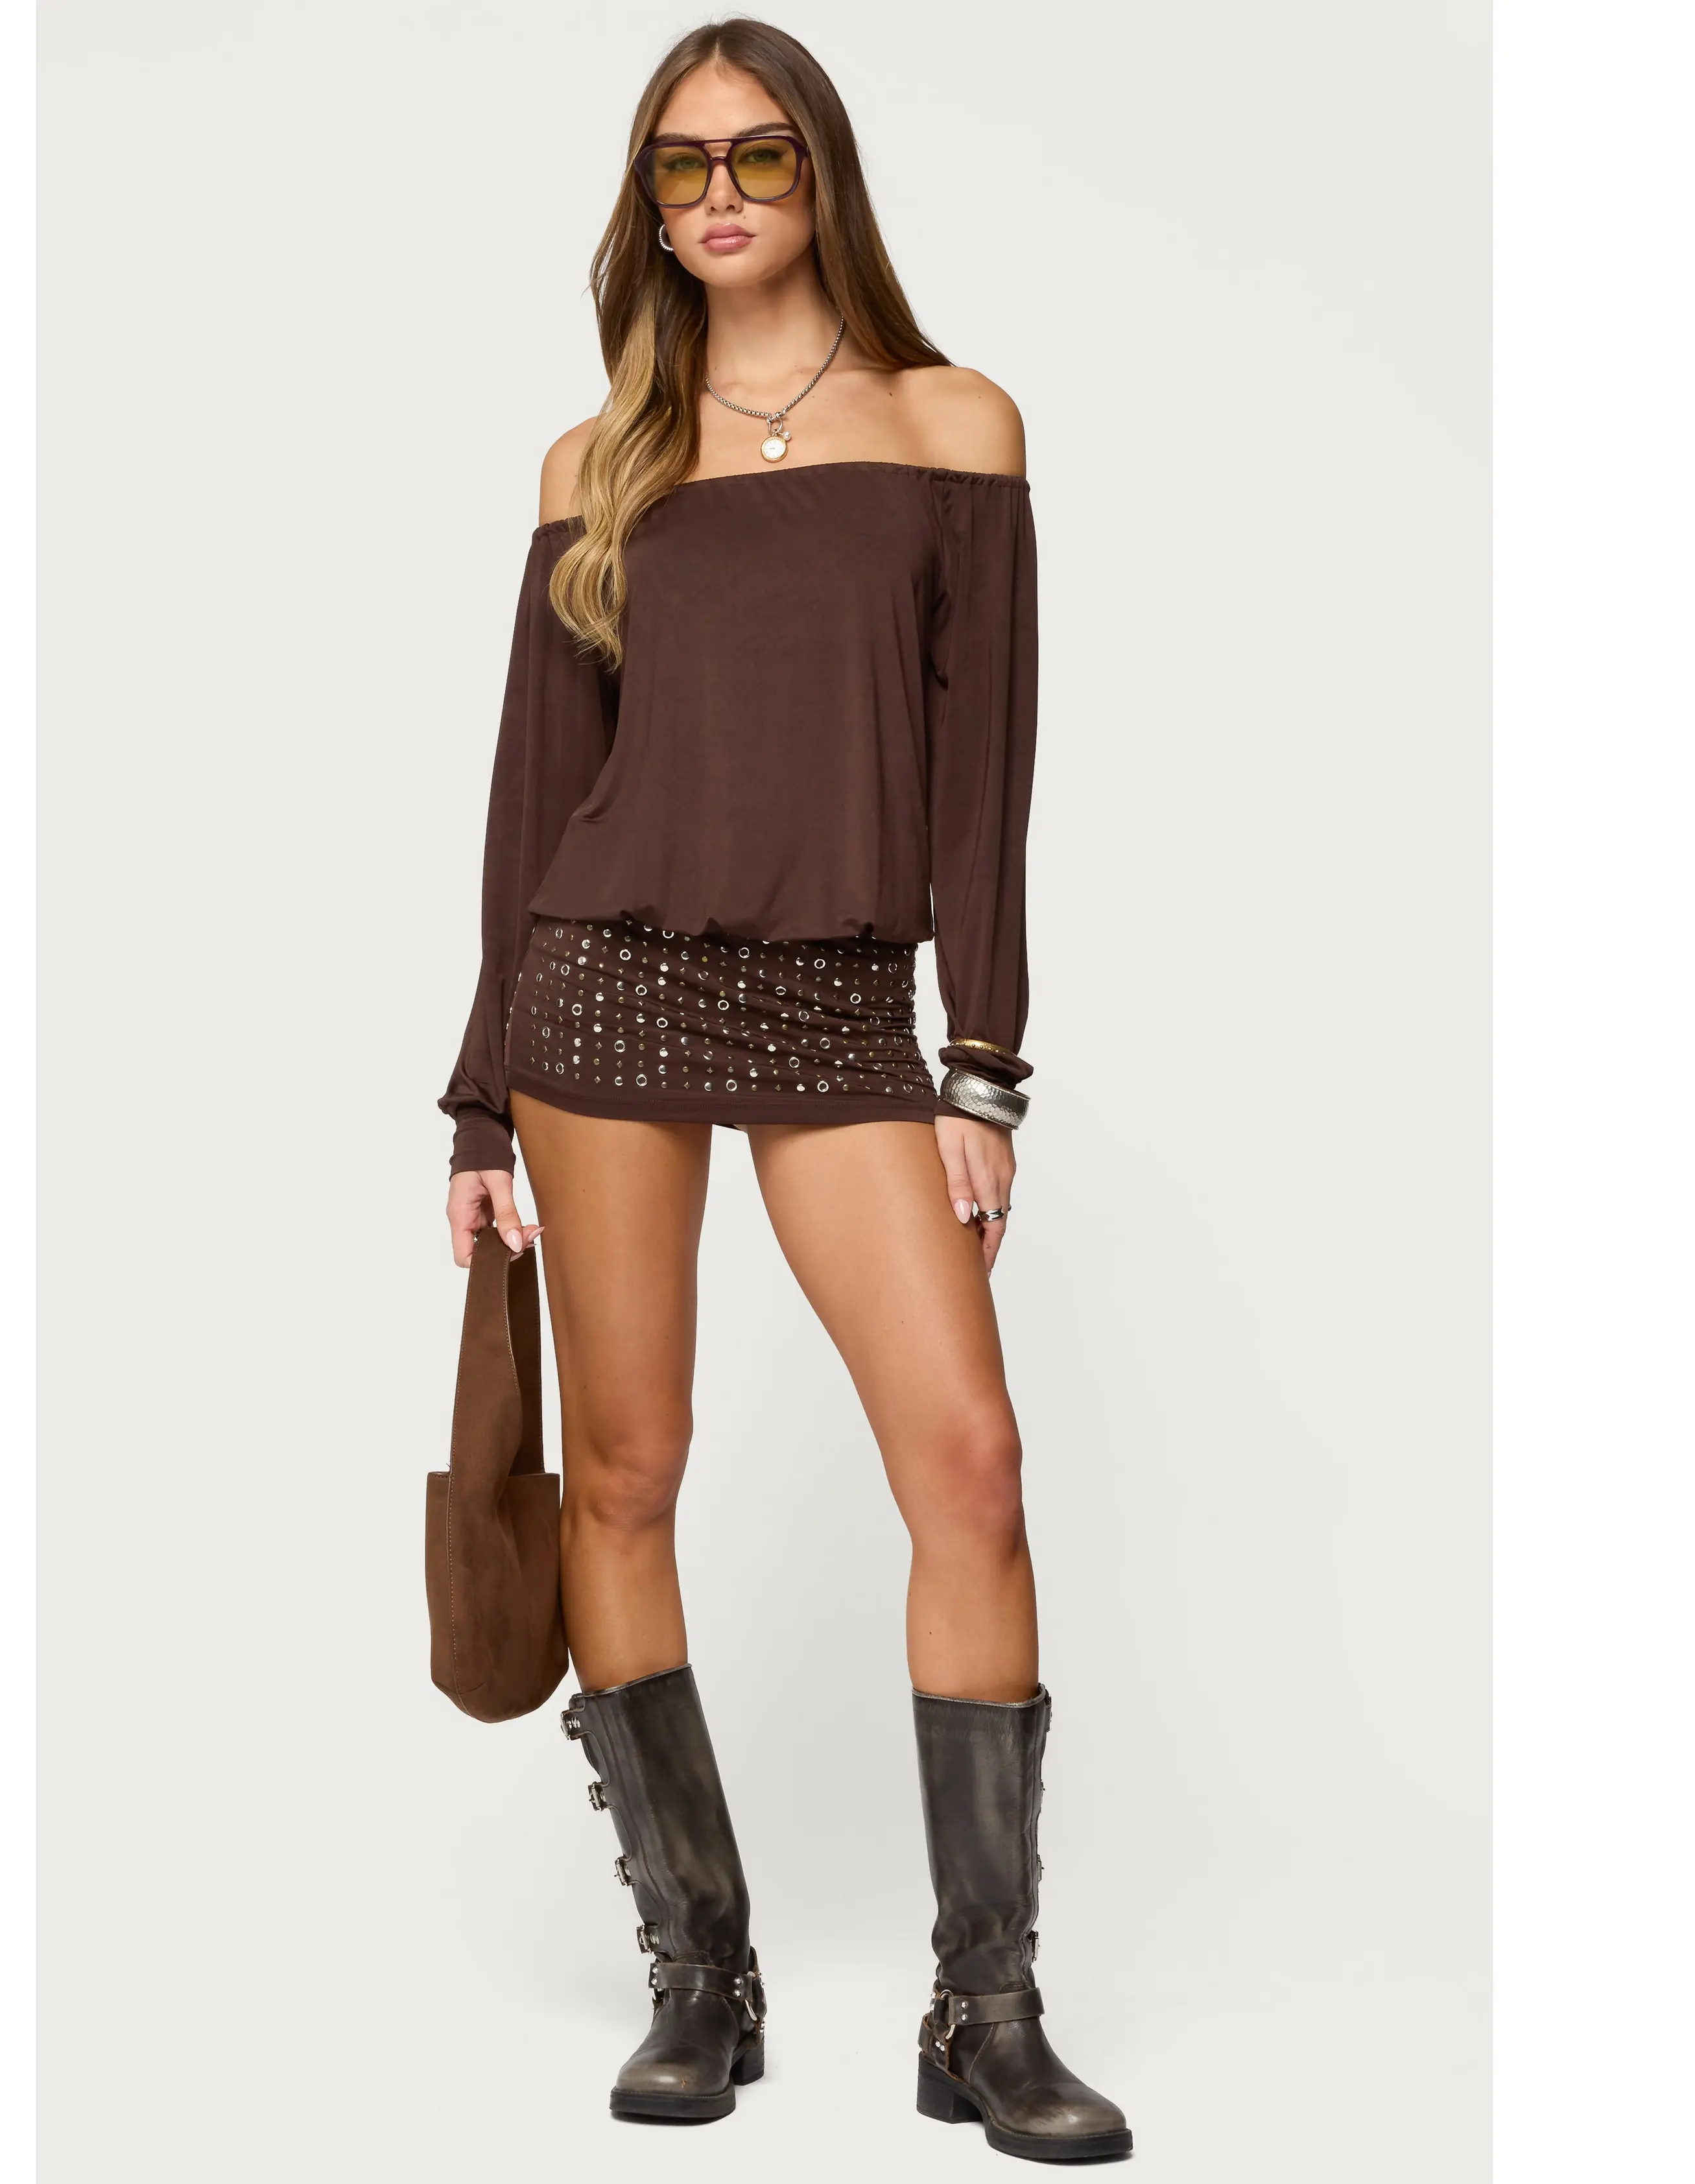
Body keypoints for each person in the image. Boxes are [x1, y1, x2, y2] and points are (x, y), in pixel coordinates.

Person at [437, 18, 1130, 2165]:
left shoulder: (952, 424)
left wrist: (981, 1067)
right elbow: (536, 796)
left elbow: (988, 779)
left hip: (836, 1004)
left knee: (971, 1465)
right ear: (648, 207)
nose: (720, 191)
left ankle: (987, 2014)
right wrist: (479, 1106)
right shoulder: (596, 462)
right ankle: (697, 1975)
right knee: (628, 1472)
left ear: (821, 173)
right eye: (681, 165)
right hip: (604, 994)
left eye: (757, 154)